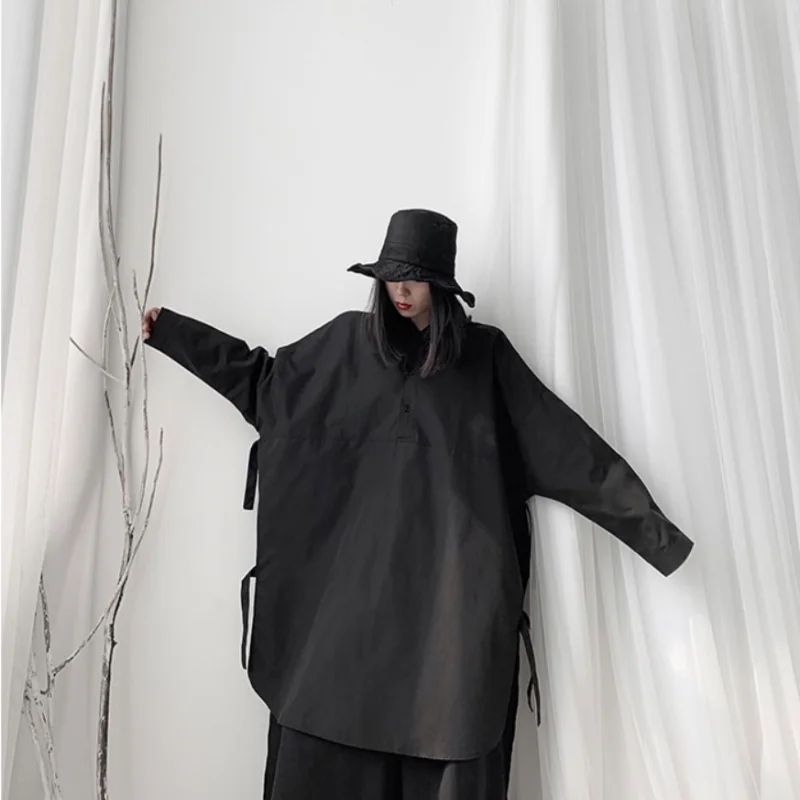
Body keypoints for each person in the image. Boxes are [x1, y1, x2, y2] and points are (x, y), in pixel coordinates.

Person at [142, 208, 694, 800]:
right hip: (341, 643)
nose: (400, 290)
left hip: (445, 643)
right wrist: (173, 333)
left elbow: (571, 452)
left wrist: (656, 536)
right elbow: (263, 383)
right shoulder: (341, 348)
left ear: (442, 285)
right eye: (391, 277)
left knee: (452, 732)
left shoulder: (485, 362)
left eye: (415, 278)